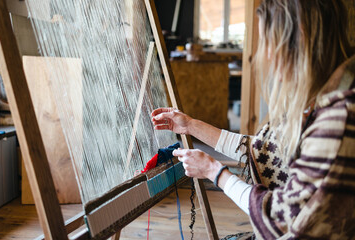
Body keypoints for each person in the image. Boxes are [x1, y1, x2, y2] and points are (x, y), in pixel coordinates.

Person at [152, 0, 355, 239]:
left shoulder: (339, 119)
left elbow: (283, 220)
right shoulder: (331, 97)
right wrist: (190, 125)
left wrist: (216, 173)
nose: (267, 54)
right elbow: (267, 153)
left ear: (299, 36)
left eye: (269, 41)